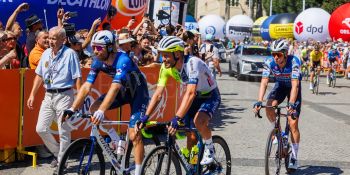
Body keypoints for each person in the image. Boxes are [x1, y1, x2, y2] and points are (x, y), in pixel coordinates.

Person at [61, 30, 149, 175]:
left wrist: (102, 111)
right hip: (123, 91)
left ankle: (138, 171)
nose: (95, 51)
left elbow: (114, 88)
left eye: (99, 47)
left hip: (138, 92)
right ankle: (115, 139)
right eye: (94, 47)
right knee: (93, 108)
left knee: (134, 134)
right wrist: (72, 108)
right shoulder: (97, 61)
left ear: (109, 48)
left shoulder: (123, 60)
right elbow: (86, 87)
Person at [136, 36, 221, 165]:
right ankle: (193, 165)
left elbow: (191, 92)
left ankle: (210, 148)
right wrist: (146, 116)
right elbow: (158, 94)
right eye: (161, 55)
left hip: (209, 95)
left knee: (199, 121)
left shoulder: (192, 63)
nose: (162, 59)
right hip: (193, 96)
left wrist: (177, 117)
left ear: (177, 54)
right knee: (190, 135)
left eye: (166, 55)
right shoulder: (165, 68)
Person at [26, 26, 82, 171]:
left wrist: (78, 100)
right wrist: (32, 94)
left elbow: (77, 78)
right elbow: (39, 76)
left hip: (64, 94)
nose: (50, 41)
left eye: (54, 38)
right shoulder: (45, 54)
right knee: (41, 128)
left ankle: (62, 161)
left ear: (63, 40)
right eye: (49, 38)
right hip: (48, 94)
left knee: (63, 130)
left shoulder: (70, 54)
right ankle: (59, 154)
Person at [253, 39, 302, 170]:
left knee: (293, 124)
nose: (275, 57)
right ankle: (279, 135)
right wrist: (259, 100)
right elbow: (264, 82)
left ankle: (294, 157)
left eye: (279, 54)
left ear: (285, 53)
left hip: (293, 87)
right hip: (280, 86)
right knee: (269, 107)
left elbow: (295, 85)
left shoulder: (294, 62)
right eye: (273, 53)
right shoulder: (269, 62)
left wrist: (291, 104)